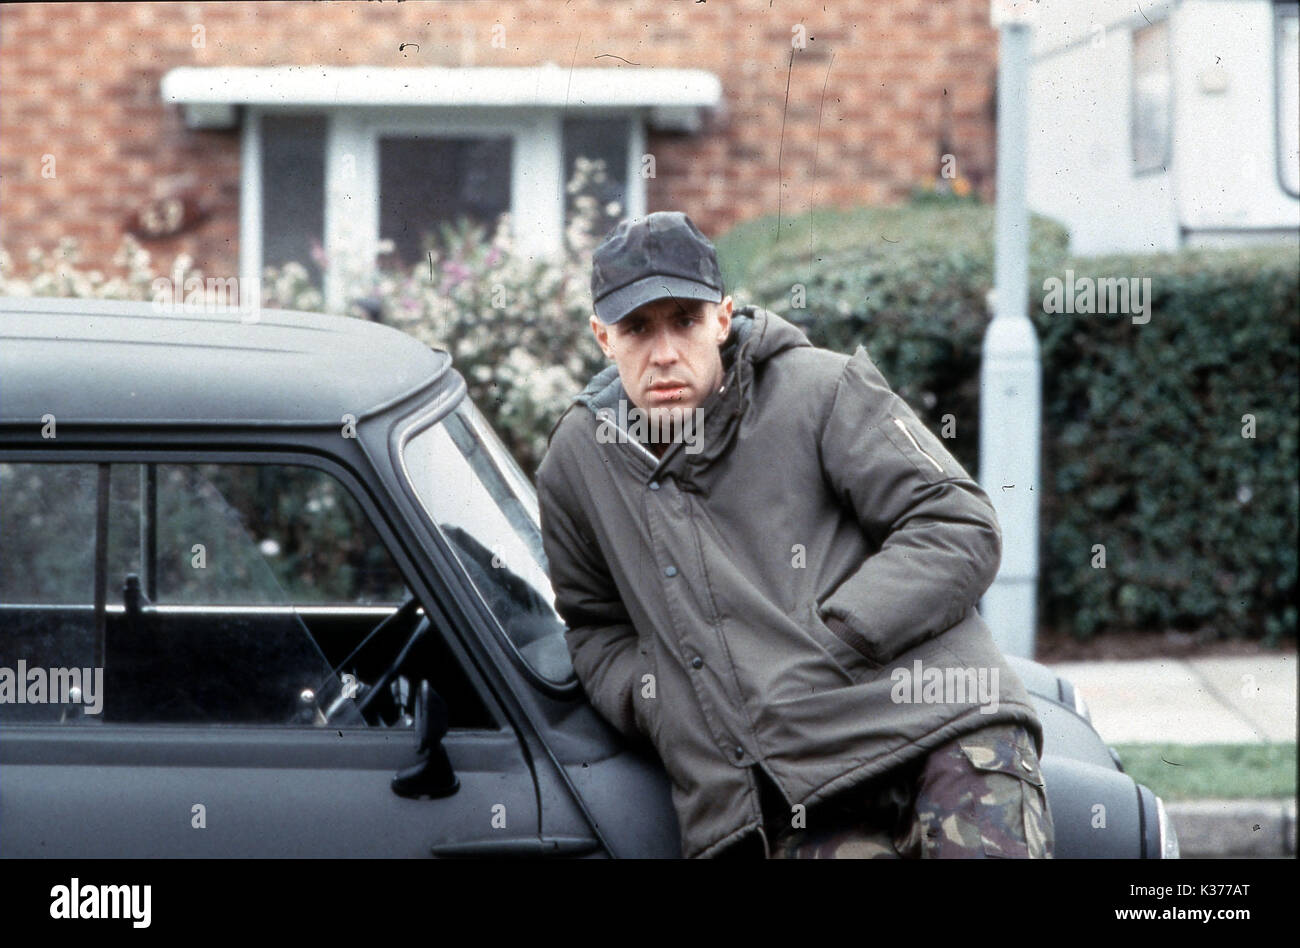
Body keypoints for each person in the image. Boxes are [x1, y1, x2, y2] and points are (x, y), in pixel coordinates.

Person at [535, 210, 1054, 859]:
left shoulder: (822, 390)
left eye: (685, 321)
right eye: (637, 328)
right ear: (602, 338)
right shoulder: (578, 463)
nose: (663, 352)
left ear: (721, 319)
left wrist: (839, 634)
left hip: (940, 724)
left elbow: (955, 521)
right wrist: (667, 703)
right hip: (787, 790)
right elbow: (594, 627)